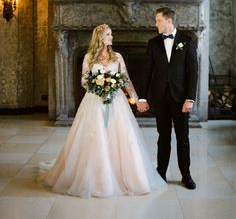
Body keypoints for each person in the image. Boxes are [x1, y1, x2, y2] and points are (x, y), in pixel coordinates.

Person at [39, 24, 167, 198]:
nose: (112, 37)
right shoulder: (89, 57)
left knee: (121, 136)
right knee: (94, 134)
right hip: (94, 101)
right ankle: (95, 177)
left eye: (111, 34)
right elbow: (84, 80)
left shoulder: (118, 56)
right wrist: (98, 84)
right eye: (109, 34)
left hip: (116, 102)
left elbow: (126, 80)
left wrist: (137, 100)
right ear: (100, 37)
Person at [137, 7, 198, 190]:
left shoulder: (187, 41)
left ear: (168, 21)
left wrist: (190, 98)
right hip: (161, 98)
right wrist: (142, 97)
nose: (155, 24)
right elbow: (147, 71)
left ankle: (186, 175)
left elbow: (193, 72)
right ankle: (161, 172)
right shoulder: (153, 43)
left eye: (158, 20)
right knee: (163, 137)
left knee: (183, 138)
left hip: (181, 100)